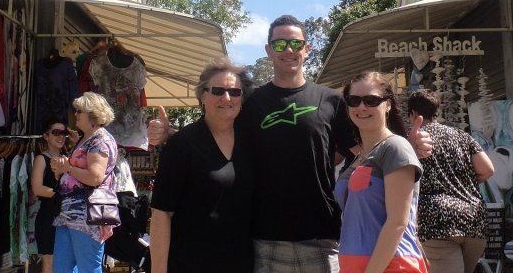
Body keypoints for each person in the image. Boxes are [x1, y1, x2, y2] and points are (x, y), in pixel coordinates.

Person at [149, 14, 433, 273]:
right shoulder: (251, 103)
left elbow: (367, 149)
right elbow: (217, 130)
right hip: (264, 238)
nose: (288, 50)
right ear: (268, 50)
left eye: (296, 44)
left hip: (322, 236)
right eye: (280, 43)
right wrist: (171, 134)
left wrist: (404, 146)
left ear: (307, 49)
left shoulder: (331, 101)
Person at [150, 56, 255, 273]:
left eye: (235, 92)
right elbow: (161, 214)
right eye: (217, 90)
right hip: (191, 263)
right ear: (202, 96)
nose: (227, 97)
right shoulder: (182, 144)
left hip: (243, 263)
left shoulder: (251, 142)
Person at [334, 71, 426, 273]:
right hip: (355, 265)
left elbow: (397, 223)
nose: (362, 107)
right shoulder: (359, 157)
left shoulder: (394, 147)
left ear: (388, 104)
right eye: (354, 100)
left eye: (371, 100)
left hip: (391, 266)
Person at [407, 89, 494, 273]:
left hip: (436, 222)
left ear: (413, 114)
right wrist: (463, 183)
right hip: (473, 220)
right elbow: (487, 169)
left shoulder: (415, 141)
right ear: (436, 112)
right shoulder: (461, 136)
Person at [51, 91, 118, 273]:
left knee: (88, 268)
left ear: (92, 114)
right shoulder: (87, 138)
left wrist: (68, 169)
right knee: (62, 269)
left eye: (79, 111)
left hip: (86, 216)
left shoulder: (100, 140)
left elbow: (95, 177)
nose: (75, 114)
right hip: (70, 215)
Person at [30, 117, 72, 273]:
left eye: (63, 133)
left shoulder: (69, 159)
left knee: (68, 259)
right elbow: (37, 189)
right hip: (49, 216)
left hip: (69, 216)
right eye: (56, 132)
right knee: (50, 261)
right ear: (46, 135)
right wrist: (62, 195)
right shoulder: (41, 159)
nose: (61, 136)